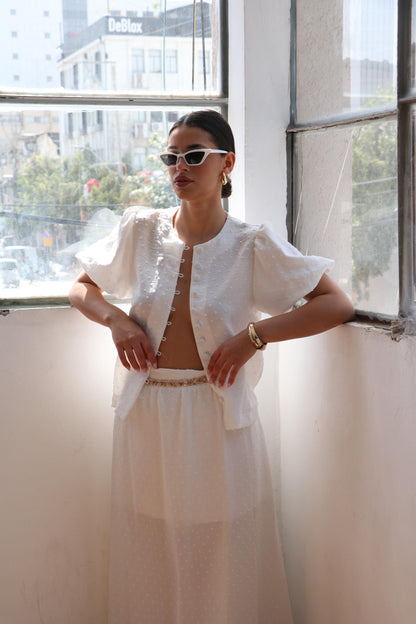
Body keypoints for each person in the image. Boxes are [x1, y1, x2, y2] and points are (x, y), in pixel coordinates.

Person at [69, 109, 354, 624]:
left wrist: (254, 337)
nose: (180, 167)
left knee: (221, 547)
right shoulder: (140, 229)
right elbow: (81, 288)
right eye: (171, 157)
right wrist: (117, 321)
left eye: (194, 155)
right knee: (150, 545)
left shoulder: (251, 243)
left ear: (227, 163)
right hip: (146, 414)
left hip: (218, 419)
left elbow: (335, 304)